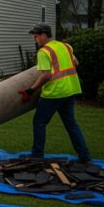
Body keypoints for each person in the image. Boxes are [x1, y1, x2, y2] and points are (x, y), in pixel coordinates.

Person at [18, 23, 92, 163]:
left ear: (44, 35)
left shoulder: (44, 52)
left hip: (54, 93)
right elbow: (76, 63)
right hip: (69, 90)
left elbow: (46, 75)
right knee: (71, 124)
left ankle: (37, 155)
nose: (34, 38)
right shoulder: (65, 46)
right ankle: (85, 157)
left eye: (36, 35)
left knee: (39, 122)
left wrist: (31, 90)